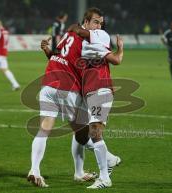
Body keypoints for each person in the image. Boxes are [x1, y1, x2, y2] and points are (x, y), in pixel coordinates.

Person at [27, 8, 123, 188]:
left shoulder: (68, 34)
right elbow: (113, 59)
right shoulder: (89, 38)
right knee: (84, 132)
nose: (98, 26)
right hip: (68, 87)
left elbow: (59, 56)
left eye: (101, 23)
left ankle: (35, 170)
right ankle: (102, 163)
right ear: (85, 22)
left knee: (45, 129)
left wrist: (48, 50)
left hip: (49, 81)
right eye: (95, 22)